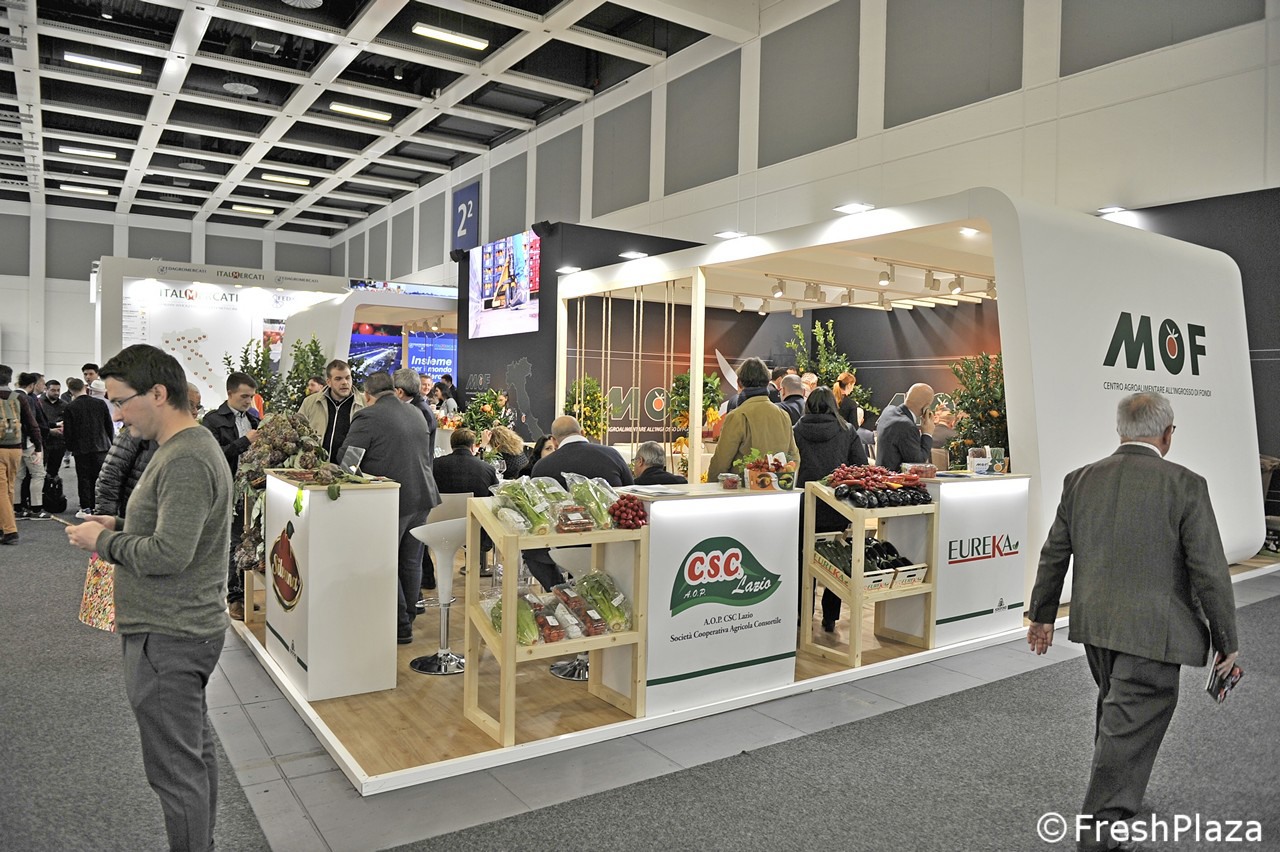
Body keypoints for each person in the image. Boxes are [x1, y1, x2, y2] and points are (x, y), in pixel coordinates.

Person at [1027, 392, 1238, 852]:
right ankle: (1100, 830)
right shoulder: (1186, 484)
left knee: (1118, 712)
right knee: (1128, 719)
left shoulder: (1080, 479)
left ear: (1120, 430)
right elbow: (1209, 570)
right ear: (1167, 434)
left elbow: (1054, 554)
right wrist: (1226, 638)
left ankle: (1118, 796)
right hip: (1153, 632)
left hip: (1096, 626)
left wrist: (1041, 615)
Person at [65, 344, 232, 852]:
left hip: (170, 633)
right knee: (191, 754)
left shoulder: (185, 457)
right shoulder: (185, 449)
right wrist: (120, 523)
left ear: (158, 394)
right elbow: (174, 530)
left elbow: (170, 553)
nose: (116, 415)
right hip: (179, 628)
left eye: (121, 401)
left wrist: (104, 541)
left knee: (176, 771)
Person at [336, 371, 440, 645]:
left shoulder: (368, 416)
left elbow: (347, 461)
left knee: (386, 560)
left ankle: (399, 624)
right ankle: (408, 618)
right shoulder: (416, 412)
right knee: (411, 561)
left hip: (391, 499)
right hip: (422, 496)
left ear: (367, 395)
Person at [524, 415, 633, 590]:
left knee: (532, 552)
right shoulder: (612, 455)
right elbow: (630, 494)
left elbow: (539, 511)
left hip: (563, 547)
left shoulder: (542, 466)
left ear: (554, 440)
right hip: (612, 544)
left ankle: (562, 592)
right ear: (582, 432)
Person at [793, 387, 869, 633]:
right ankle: (830, 617)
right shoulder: (847, 431)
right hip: (837, 508)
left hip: (804, 506)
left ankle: (802, 613)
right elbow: (860, 467)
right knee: (835, 561)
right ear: (833, 405)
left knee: (803, 559)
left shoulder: (795, 431)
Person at [201, 372, 262, 621]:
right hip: (226, 490)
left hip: (252, 492)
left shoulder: (254, 418)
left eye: (251, 396)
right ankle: (234, 598)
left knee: (250, 543)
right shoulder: (212, 420)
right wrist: (244, 441)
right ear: (230, 393)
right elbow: (213, 455)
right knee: (234, 543)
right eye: (244, 396)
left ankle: (245, 595)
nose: (248, 401)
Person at [707, 357, 800, 479]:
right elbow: (794, 458)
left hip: (744, 488)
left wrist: (711, 485)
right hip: (776, 488)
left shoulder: (737, 416)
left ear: (739, 383)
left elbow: (720, 463)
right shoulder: (783, 415)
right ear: (767, 383)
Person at [1, 364, 43, 544]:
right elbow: (32, 424)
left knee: (1, 490)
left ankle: (10, 531)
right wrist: (38, 447)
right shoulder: (18, 398)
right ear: (10, 380)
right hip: (16, 448)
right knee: (9, 488)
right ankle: (3, 525)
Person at [62, 376, 114, 516]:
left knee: (84, 478)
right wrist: (110, 442)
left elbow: (68, 431)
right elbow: (109, 425)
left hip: (81, 448)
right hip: (101, 446)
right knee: (99, 478)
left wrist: (70, 447)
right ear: (85, 388)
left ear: (70, 390)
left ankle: (86, 507)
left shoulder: (70, 407)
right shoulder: (100, 403)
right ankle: (100, 506)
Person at [298, 359, 366, 462]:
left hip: (349, 467)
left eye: (348, 378)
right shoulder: (310, 402)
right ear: (329, 382)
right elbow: (298, 433)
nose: (344, 382)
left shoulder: (365, 403)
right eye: (338, 379)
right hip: (316, 465)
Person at [875, 382, 935, 473]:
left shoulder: (888, 410)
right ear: (926, 407)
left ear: (906, 395)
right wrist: (927, 434)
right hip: (896, 479)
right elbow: (918, 464)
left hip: (881, 475)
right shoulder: (907, 426)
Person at [15, 372, 50, 519]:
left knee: (18, 476)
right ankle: (36, 509)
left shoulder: (10, 397)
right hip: (29, 443)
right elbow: (32, 423)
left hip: (13, 443)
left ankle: (17, 509)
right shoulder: (28, 399)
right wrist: (38, 445)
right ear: (32, 385)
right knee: (38, 474)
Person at [38, 378, 68, 476]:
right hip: (43, 441)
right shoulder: (39, 403)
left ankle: (52, 484)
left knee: (54, 471)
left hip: (59, 442)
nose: (56, 393)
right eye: (53, 390)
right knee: (39, 471)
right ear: (46, 389)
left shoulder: (64, 405)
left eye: (58, 390)